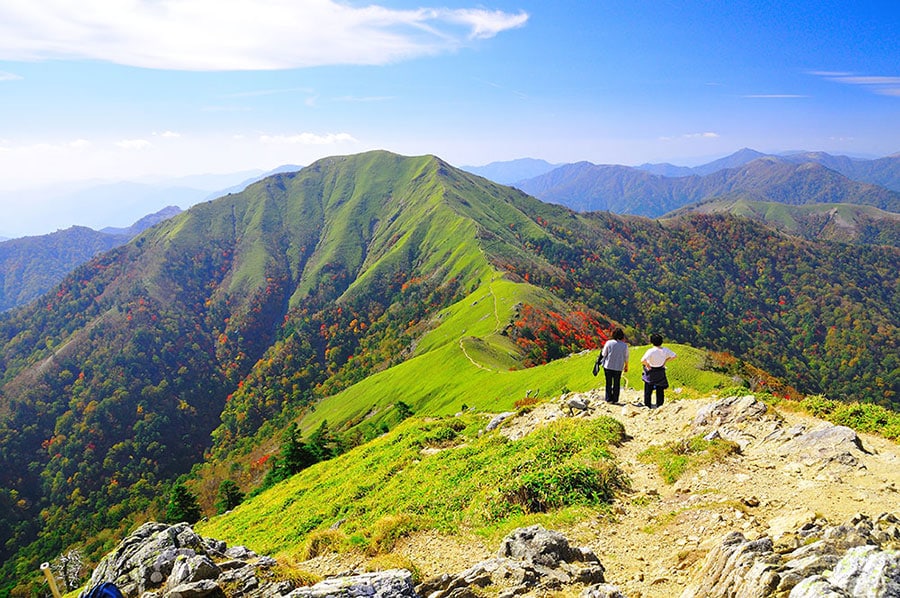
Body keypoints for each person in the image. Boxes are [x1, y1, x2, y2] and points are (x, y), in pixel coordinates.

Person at [640, 334, 676, 408]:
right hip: (660, 370)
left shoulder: (650, 351)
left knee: (648, 390)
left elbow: (642, 360)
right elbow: (674, 356)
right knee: (660, 389)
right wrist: (665, 361)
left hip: (651, 371)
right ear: (661, 341)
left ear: (652, 342)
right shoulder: (665, 350)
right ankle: (659, 405)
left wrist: (647, 365)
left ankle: (647, 405)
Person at [599, 328, 629, 404]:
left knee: (608, 383)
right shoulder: (624, 345)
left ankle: (608, 399)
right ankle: (615, 399)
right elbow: (626, 357)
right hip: (618, 367)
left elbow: (603, 354)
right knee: (617, 383)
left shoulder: (609, 343)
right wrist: (626, 366)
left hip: (608, 366)